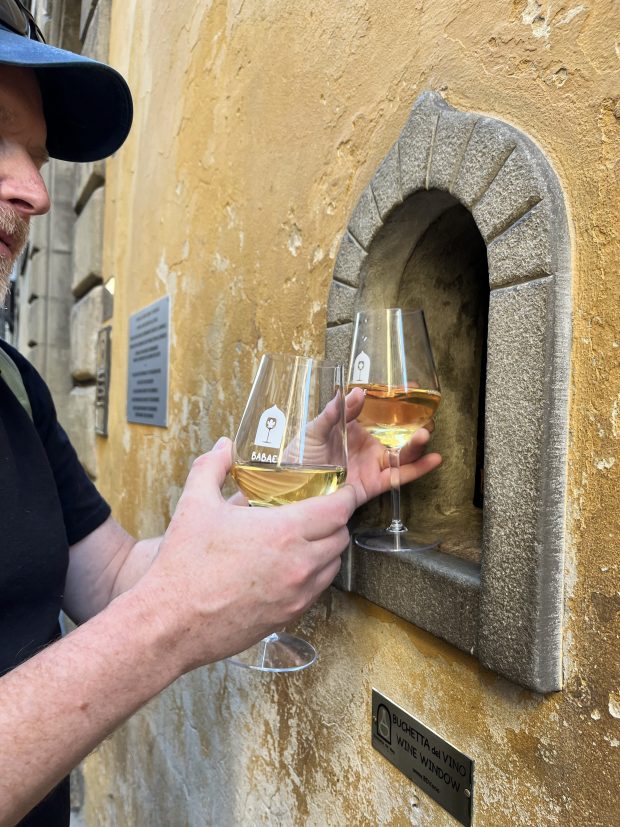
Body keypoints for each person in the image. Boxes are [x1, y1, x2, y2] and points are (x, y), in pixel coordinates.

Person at [0, 3, 442, 826]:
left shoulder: (15, 385)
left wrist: (268, 500)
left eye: (37, 155)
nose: (35, 192)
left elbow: (113, 578)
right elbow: (157, 608)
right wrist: (178, 620)